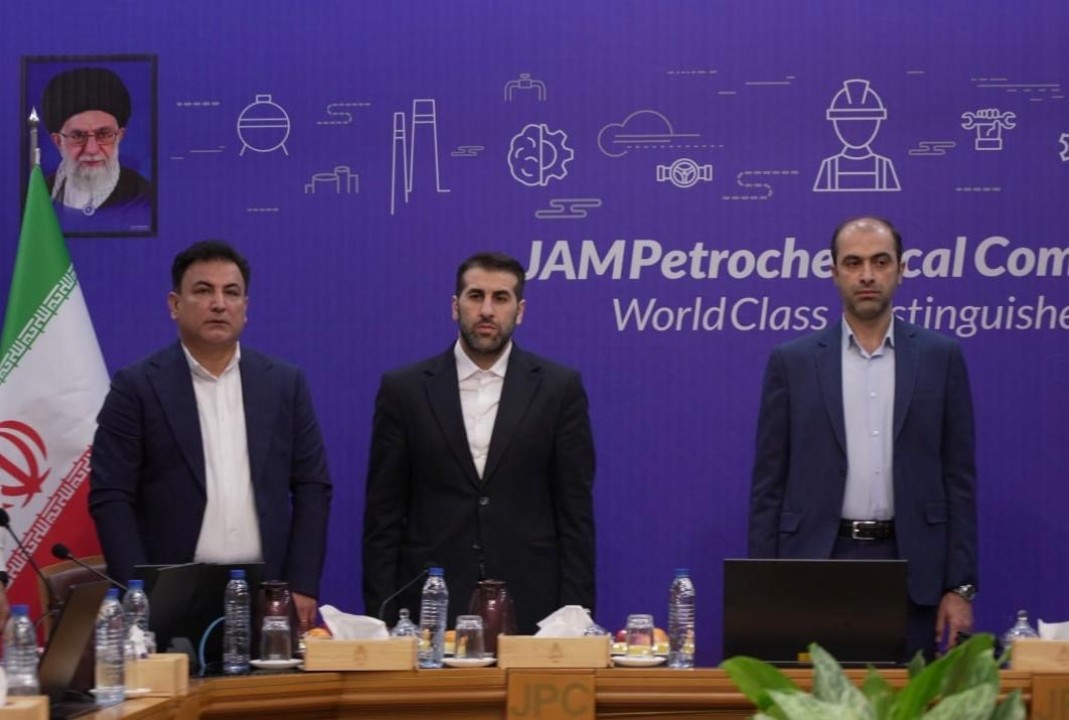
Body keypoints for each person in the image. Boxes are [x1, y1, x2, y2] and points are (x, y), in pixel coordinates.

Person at [748, 216, 977, 660]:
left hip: (914, 569)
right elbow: (768, 486)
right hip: (816, 563)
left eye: (880, 261)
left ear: (901, 269)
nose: (867, 275)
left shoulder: (941, 357)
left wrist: (960, 587)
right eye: (853, 263)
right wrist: (764, 586)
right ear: (834, 272)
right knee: (817, 695)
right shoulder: (793, 362)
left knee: (908, 695)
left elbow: (959, 481)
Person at [89, 241, 332, 629]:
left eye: (231, 293)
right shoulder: (136, 386)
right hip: (169, 593)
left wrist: (302, 583)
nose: (219, 304)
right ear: (174, 304)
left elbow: (312, 485)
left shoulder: (284, 384)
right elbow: (111, 495)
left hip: (265, 592)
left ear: (245, 307)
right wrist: (138, 592)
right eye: (203, 291)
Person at [362, 251, 596, 634]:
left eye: (500, 298)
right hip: (430, 606)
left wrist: (575, 617)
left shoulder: (558, 389)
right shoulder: (404, 390)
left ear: (520, 311)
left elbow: (575, 514)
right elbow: (383, 516)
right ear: (455, 306)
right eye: (475, 296)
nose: (487, 310)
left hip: (534, 607)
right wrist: (381, 617)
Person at [41, 67, 152, 218]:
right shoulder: (37, 193)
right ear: (58, 141)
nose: (91, 149)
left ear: (119, 136)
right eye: (77, 136)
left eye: (104, 134)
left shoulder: (144, 197)